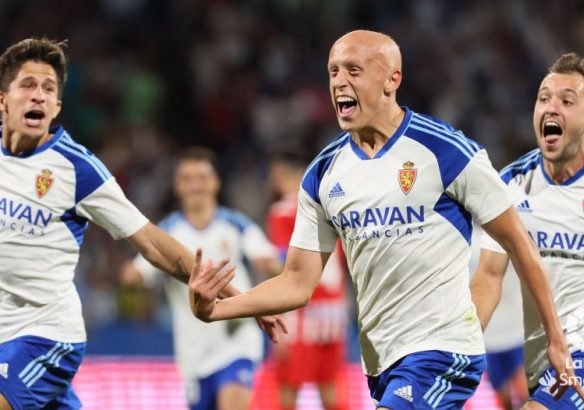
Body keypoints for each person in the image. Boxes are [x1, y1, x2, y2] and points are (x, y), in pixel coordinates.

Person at [188, 30, 584, 409]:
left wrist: (554, 338)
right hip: (382, 362)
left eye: (353, 71)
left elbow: (519, 242)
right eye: (333, 72)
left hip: (442, 349)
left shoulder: (446, 150)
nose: (339, 82)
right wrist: (218, 309)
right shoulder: (324, 173)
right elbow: (297, 281)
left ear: (392, 79)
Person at [0, 38, 282, 410]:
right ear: (3, 99)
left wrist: (244, 300)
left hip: (46, 335)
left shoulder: (78, 170)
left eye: (48, 89)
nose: (38, 95)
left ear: (57, 107)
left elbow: (151, 242)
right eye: (27, 85)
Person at [472, 53, 584, 409]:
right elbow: (489, 276)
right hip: (541, 363)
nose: (551, 107)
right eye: (543, 97)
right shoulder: (509, 184)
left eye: (567, 101)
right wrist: (457, 345)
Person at [121, 147, 282, 410]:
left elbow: (266, 258)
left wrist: (273, 265)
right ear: (177, 186)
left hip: (236, 342)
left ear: (215, 182)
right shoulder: (168, 232)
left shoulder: (236, 225)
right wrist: (132, 275)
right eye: (187, 178)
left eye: (202, 177)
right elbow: (138, 272)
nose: (195, 184)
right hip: (193, 354)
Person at [267, 148, 349, 410]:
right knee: (331, 390)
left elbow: (285, 265)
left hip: (301, 313)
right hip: (333, 312)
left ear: (280, 175)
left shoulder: (282, 210)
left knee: (288, 390)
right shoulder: (332, 207)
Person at [470, 225, 527, 410]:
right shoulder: (470, 242)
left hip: (513, 332)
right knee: (504, 392)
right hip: (491, 336)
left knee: (522, 388)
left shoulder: (509, 236)